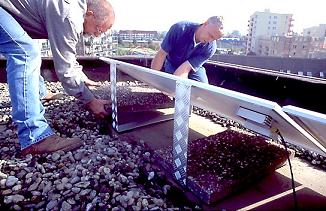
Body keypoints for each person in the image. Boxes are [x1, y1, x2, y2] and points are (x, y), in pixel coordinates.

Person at [0, 0, 115, 155]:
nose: (96, 35)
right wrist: (91, 101)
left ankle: (38, 94)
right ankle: (35, 136)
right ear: (89, 14)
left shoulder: (73, 9)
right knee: (25, 53)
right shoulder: (70, 16)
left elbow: (68, 54)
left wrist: (81, 77)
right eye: (99, 29)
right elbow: (65, 69)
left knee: (27, 49)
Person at [151, 16, 223, 84]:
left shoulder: (211, 48)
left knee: (203, 88)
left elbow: (186, 67)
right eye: (210, 35)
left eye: (214, 39)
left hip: (192, 67)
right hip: (172, 62)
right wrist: (153, 79)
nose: (209, 40)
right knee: (172, 86)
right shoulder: (179, 29)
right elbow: (161, 54)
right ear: (205, 23)